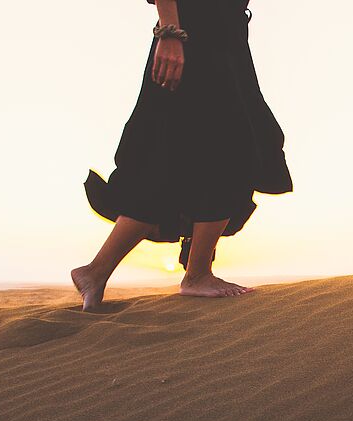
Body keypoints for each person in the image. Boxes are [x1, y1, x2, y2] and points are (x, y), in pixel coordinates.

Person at [73, 0, 292, 309]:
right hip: (192, 34)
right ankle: (197, 274)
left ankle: (96, 272)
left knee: (177, 157)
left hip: (225, 36)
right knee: (232, 147)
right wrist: (170, 32)